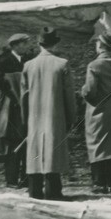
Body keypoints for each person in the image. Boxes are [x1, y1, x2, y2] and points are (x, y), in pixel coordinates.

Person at [21, 27, 77, 200]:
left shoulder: (28, 65)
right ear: (55, 43)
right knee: (54, 151)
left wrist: (25, 119)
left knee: (35, 150)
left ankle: (35, 191)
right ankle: (54, 192)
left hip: (35, 117)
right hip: (55, 115)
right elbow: (69, 95)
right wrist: (71, 117)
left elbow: (24, 96)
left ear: (39, 44)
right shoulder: (62, 64)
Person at [81, 33, 111, 194]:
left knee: (97, 144)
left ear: (100, 46)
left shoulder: (94, 65)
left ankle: (100, 182)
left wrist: (82, 91)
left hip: (98, 110)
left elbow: (89, 91)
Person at [0, 33, 32, 188]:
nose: (27, 46)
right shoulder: (3, 60)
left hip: (26, 105)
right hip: (10, 105)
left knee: (26, 139)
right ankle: (11, 179)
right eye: (24, 44)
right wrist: (15, 96)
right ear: (15, 45)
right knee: (11, 141)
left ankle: (26, 178)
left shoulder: (29, 60)